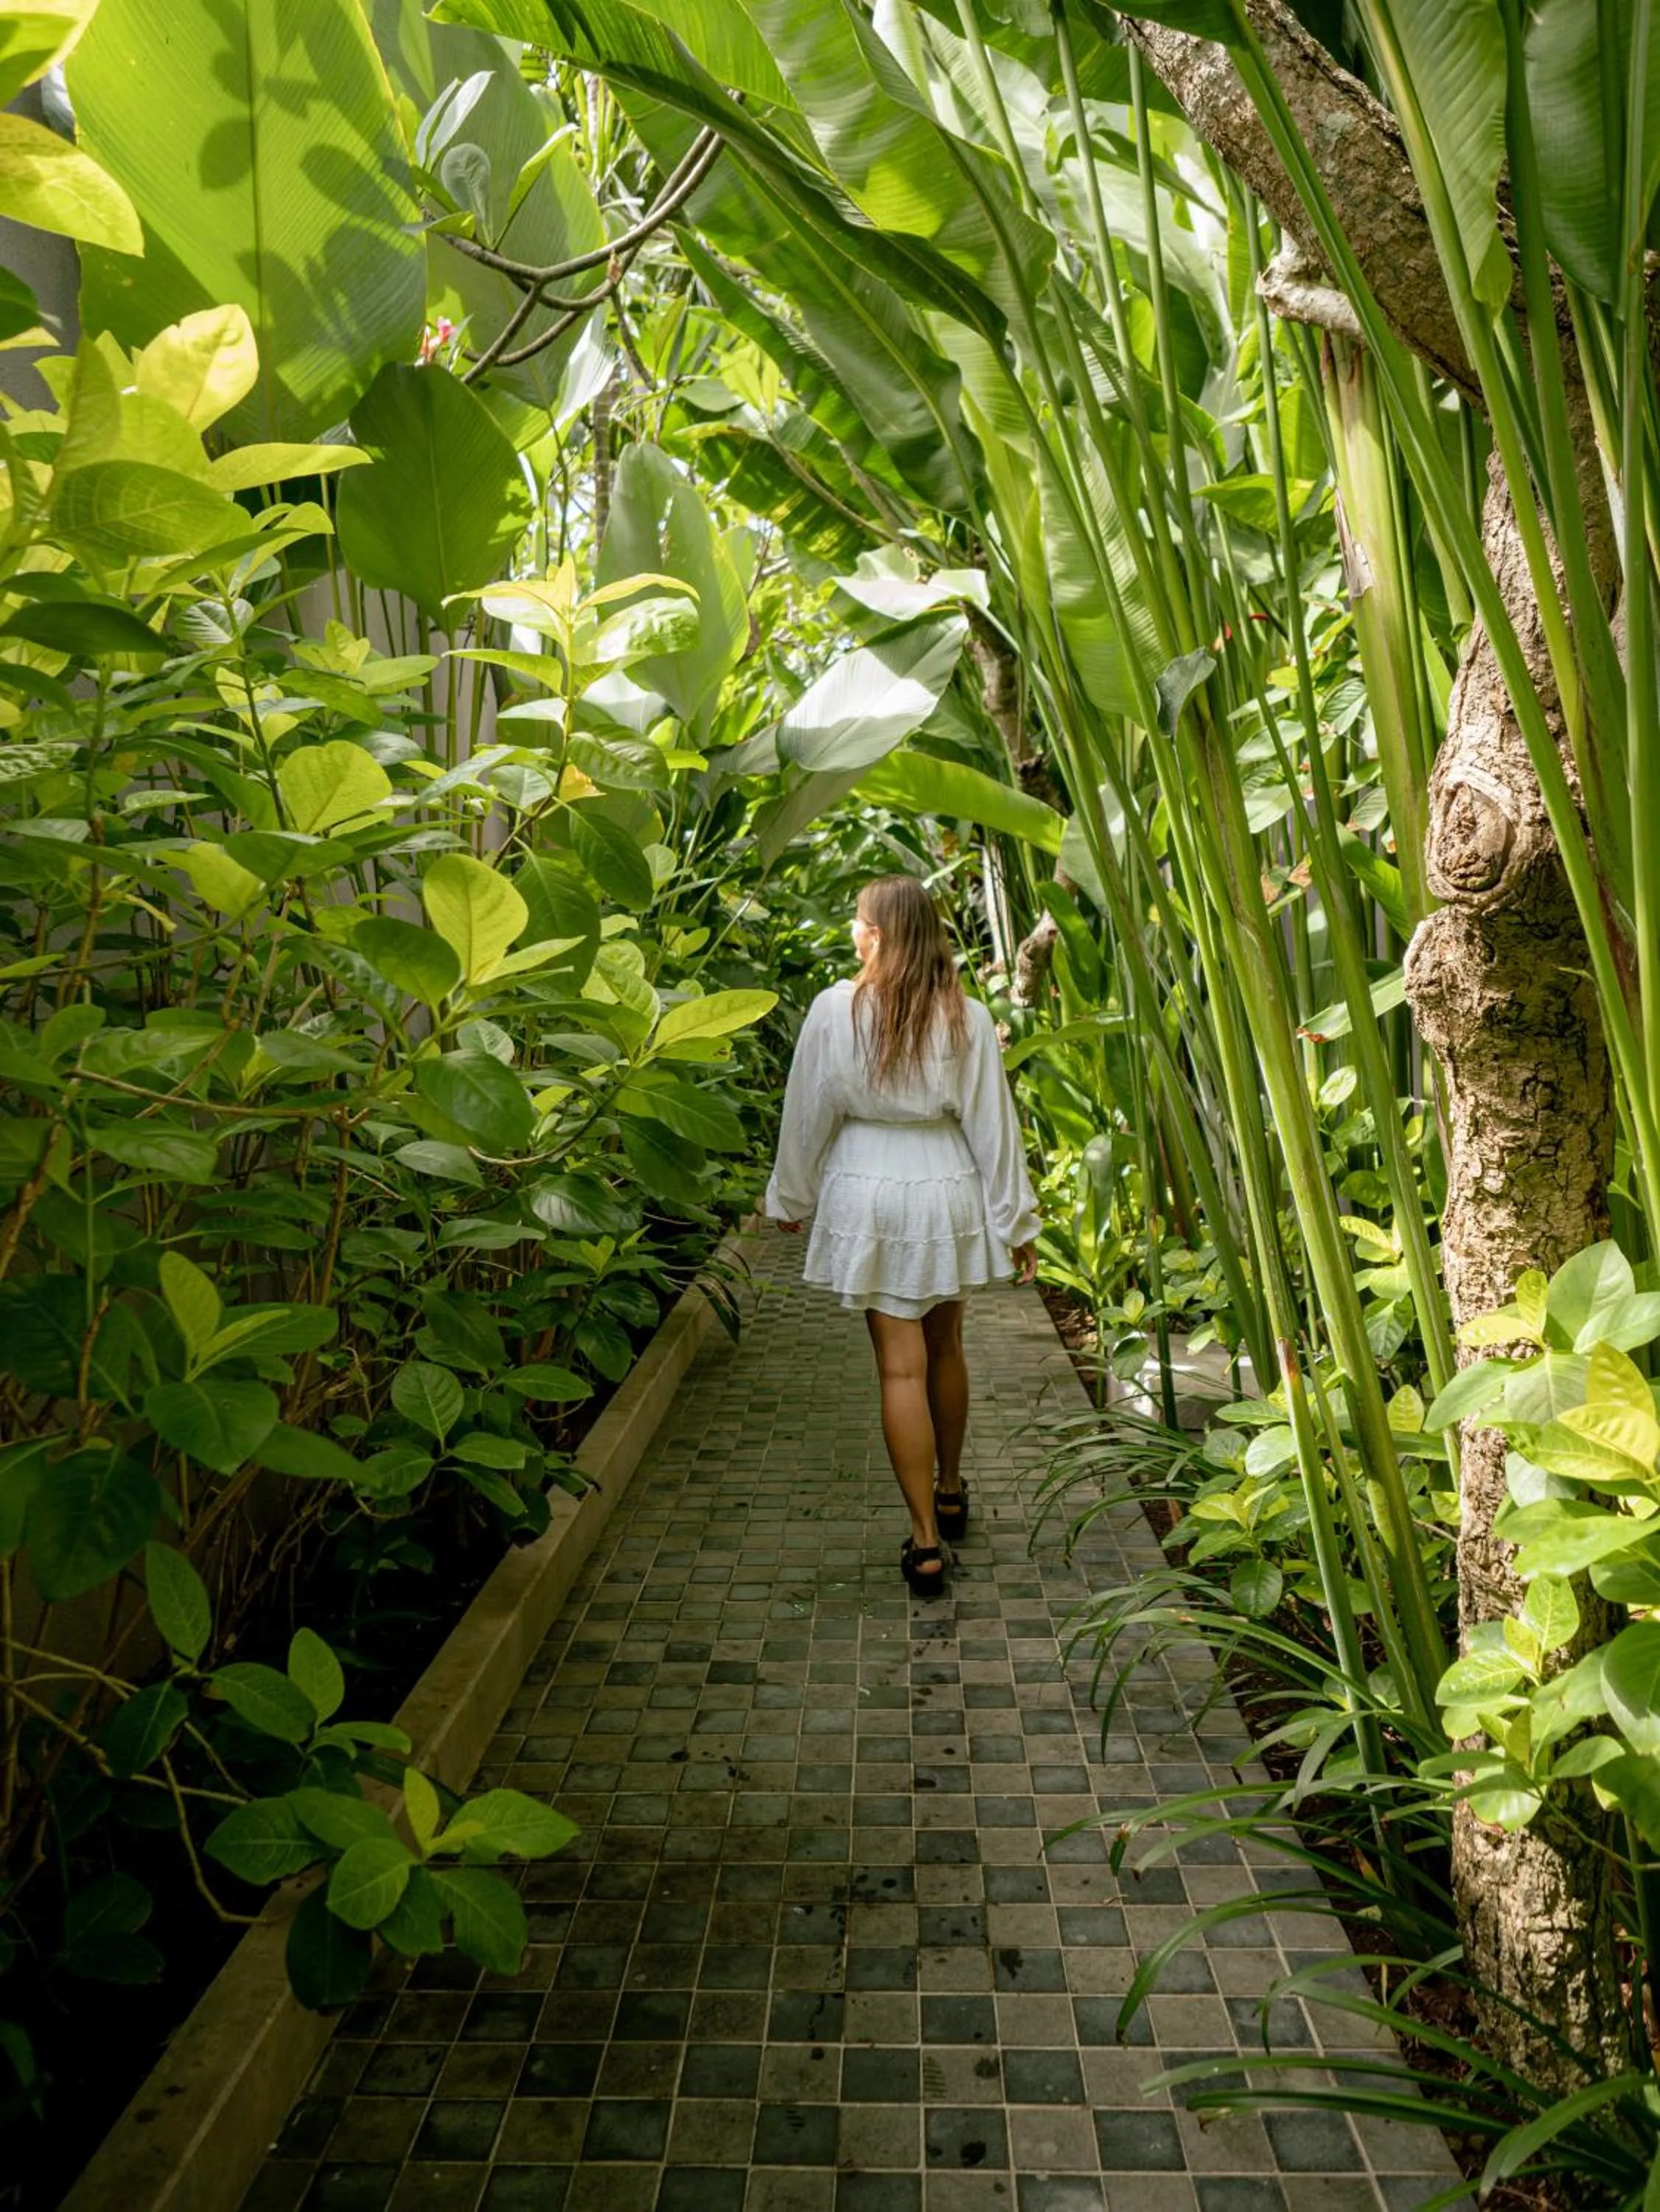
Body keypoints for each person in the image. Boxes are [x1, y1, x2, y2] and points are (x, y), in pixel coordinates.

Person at [765, 875, 1041, 1598]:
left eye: (858, 922)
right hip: (945, 1189)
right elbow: (992, 1125)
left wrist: (788, 1194)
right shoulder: (966, 1016)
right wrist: (1016, 1221)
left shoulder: (835, 1010)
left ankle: (923, 1540)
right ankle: (950, 1488)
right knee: (946, 1346)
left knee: (899, 1370)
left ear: (878, 935)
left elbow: (808, 1110)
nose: (853, 933)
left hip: (868, 1191)